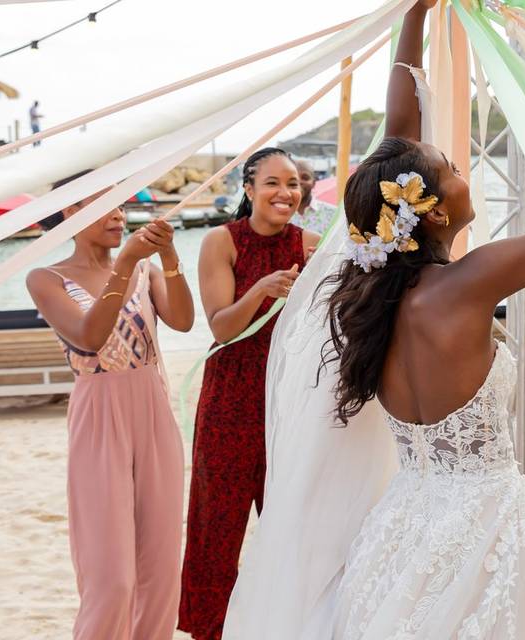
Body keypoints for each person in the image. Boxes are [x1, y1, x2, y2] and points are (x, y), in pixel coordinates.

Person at [223, 2, 525, 636]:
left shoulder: (362, 286)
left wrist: (413, 14)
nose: (464, 173)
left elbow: (398, 134)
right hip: (485, 526)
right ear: (432, 212)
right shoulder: (465, 285)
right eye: (455, 172)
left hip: (400, 526)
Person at [25, 173, 194, 639]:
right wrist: (125, 265)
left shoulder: (146, 271)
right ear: (69, 214)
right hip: (99, 418)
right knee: (112, 580)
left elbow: (181, 321)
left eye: (121, 205)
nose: (119, 214)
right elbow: (88, 339)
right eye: (105, 206)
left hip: (154, 412)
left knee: (160, 571)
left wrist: (168, 256)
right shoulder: (45, 278)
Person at [177, 147, 320, 640]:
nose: (286, 193)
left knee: (288, 525)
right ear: (249, 189)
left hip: (287, 402)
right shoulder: (221, 242)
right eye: (274, 183)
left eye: (294, 184)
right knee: (216, 526)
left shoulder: (312, 245)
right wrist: (261, 287)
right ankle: (208, 631)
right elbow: (220, 328)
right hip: (229, 401)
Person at [290, 158, 337, 235]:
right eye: (294, 178)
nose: (299, 182)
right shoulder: (277, 214)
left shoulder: (332, 214)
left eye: (305, 177)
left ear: (314, 183)